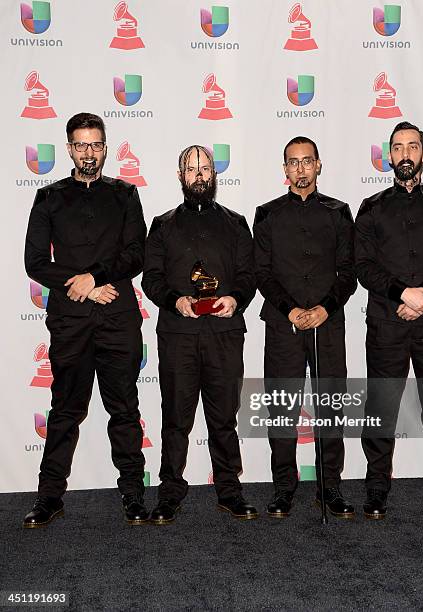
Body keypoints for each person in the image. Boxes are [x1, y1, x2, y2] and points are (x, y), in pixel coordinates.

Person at [23, 113, 148, 527]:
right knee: (64, 410)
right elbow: (35, 262)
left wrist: (95, 277)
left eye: (96, 144)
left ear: (106, 147)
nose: (89, 153)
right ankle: (49, 496)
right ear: (70, 149)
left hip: (118, 316)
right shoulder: (48, 197)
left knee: (125, 408)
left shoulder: (126, 194)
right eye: (81, 145)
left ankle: (132, 494)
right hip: (70, 320)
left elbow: (136, 253)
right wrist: (82, 286)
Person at [355, 121, 423, 521]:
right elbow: (363, 266)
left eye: (412, 146)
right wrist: (403, 293)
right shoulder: (371, 207)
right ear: (389, 156)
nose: (405, 153)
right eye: (398, 147)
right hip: (387, 322)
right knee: (382, 405)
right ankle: (376, 489)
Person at [141, 145, 257, 523]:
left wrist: (234, 298)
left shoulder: (237, 223)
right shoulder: (162, 224)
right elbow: (151, 279)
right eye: (191, 169)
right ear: (180, 176)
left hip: (224, 332)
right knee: (175, 416)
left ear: (214, 173)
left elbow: (248, 277)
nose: (199, 175)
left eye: (205, 168)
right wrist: (176, 301)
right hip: (178, 334)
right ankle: (169, 492)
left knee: (223, 416)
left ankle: (229, 490)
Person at [253, 136, 357, 519]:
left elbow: (349, 272)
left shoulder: (339, 212)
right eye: (293, 162)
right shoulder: (266, 214)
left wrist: (325, 309)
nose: (300, 168)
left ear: (318, 165)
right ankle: (283, 488)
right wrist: (291, 310)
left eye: (306, 161)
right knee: (282, 409)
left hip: (328, 324)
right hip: (284, 326)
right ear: (284, 169)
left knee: (330, 407)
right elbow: (261, 272)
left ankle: (330, 488)